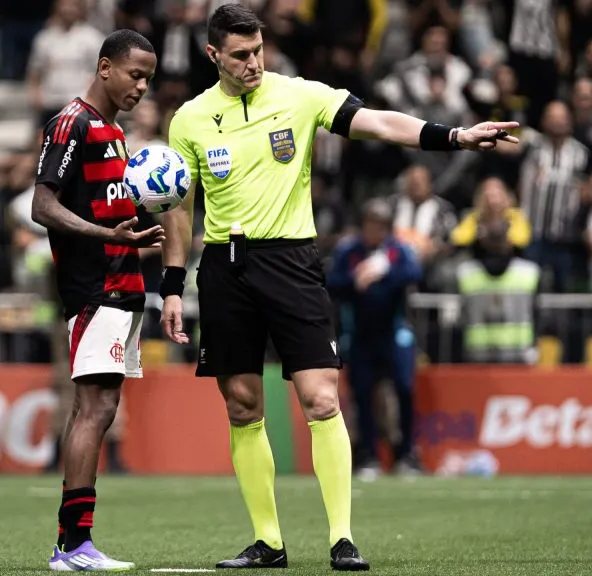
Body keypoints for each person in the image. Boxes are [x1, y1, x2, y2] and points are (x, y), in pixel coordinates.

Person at [158, 4, 519, 571]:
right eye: (240, 55)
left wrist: (453, 136)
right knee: (243, 404)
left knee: (322, 399)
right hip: (225, 268)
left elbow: (379, 122)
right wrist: (172, 286)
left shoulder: (300, 95)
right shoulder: (189, 120)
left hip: (291, 259)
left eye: (258, 51)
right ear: (213, 55)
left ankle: (342, 539)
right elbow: (179, 210)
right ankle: (268, 542)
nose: (254, 63)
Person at [30, 28, 162, 572]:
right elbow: (42, 206)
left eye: (148, 79)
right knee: (95, 408)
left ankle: (73, 543)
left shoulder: (114, 131)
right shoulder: (72, 122)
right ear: (105, 67)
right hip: (94, 288)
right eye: (135, 74)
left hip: (123, 285)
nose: (142, 87)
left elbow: (109, 207)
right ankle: (73, 545)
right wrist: (109, 236)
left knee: (98, 408)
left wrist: (139, 227)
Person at [327, 198, 423, 480]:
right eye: (371, 224)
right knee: (362, 393)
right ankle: (368, 455)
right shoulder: (350, 251)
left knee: (404, 388)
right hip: (360, 334)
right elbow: (333, 282)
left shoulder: (397, 250)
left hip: (394, 332)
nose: (375, 230)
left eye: (380, 225)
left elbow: (414, 273)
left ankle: (406, 454)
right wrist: (357, 280)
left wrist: (384, 272)